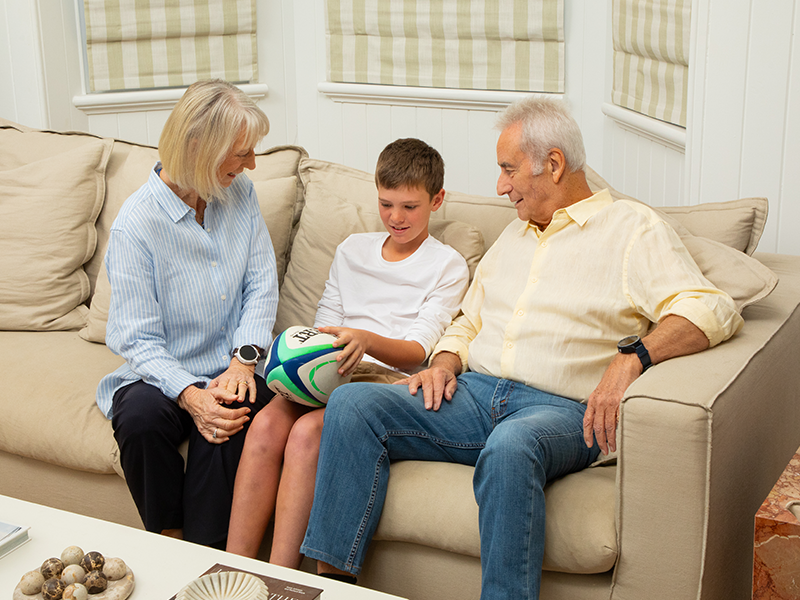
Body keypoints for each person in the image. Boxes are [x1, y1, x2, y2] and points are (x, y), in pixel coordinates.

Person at [299, 96, 745, 597]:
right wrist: (443, 362)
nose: (499, 186)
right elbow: (467, 321)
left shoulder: (631, 229)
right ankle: (333, 588)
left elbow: (711, 309)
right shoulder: (512, 236)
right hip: (473, 395)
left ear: (553, 165)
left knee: (511, 447)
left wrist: (633, 358)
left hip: (560, 411)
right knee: (354, 404)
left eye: (508, 170)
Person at [226, 138, 470, 564]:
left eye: (410, 207)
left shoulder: (446, 264)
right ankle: (231, 571)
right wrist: (316, 354)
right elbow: (324, 322)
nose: (396, 218)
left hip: (385, 380)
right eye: (386, 204)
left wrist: (366, 341)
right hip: (330, 364)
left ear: (437, 200)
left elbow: (417, 352)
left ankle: (281, 577)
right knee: (265, 426)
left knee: (306, 434)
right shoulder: (352, 249)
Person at [96, 79, 278, 548]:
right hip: (163, 370)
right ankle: (169, 541)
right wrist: (190, 396)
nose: (252, 164)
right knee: (138, 418)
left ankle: (205, 558)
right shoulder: (136, 226)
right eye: (241, 153)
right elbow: (136, 339)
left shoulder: (241, 195)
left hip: (231, 363)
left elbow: (261, 282)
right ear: (199, 148)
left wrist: (243, 360)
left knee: (231, 411)